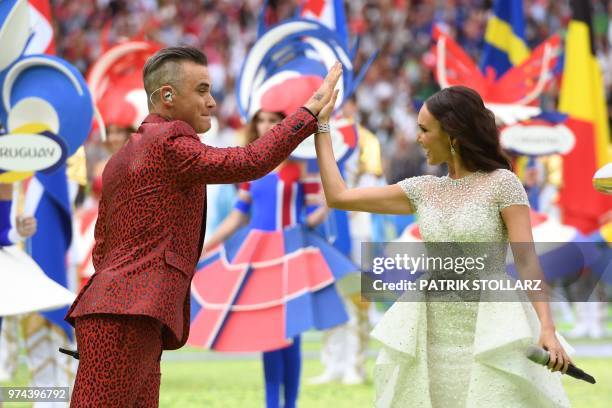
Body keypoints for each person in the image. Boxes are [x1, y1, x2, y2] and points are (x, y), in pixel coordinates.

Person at [65, 47, 342, 407]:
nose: (211, 102)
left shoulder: (124, 156)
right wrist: (307, 114)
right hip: (128, 315)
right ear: (167, 96)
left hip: (123, 312)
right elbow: (249, 160)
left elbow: (103, 247)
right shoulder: (169, 144)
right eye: (202, 90)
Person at [314, 86, 572, 407]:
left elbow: (527, 262)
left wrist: (547, 328)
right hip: (431, 330)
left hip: (491, 325)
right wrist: (321, 127)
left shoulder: (503, 184)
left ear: (452, 133)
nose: (417, 138)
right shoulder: (422, 189)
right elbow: (338, 196)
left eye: (424, 129)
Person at [199, 106, 353, 408]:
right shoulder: (249, 167)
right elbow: (238, 216)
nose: (267, 125)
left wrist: (329, 204)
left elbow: (311, 216)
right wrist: (206, 245)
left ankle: (290, 404)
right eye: (261, 120)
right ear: (254, 125)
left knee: (290, 332)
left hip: (291, 252)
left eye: (273, 120)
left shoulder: (300, 168)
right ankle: (273, 404)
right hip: (258, 256)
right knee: (268, 334)